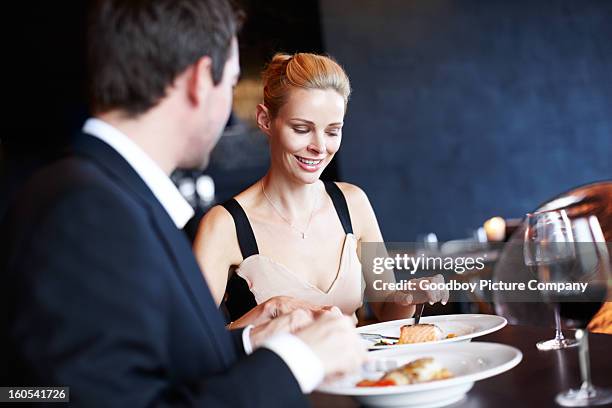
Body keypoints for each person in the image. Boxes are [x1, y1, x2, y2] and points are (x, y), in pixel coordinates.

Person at [0, 1, 366, 406]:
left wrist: (248, 339)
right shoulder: (85, 211)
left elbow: (137, 373)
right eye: (229, 84)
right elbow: (51, 398)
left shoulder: (110, 197)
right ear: (197, 81)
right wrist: (297, 361)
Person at [194, 53, 449, 328]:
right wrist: (269, 310)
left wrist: (409, 295)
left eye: (332, 131)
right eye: (302, 129)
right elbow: (194, 345)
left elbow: (385, 308)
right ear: (265, 120)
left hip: (364, 370)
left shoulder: (353, 203)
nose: (320, 147)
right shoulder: (224, 226)